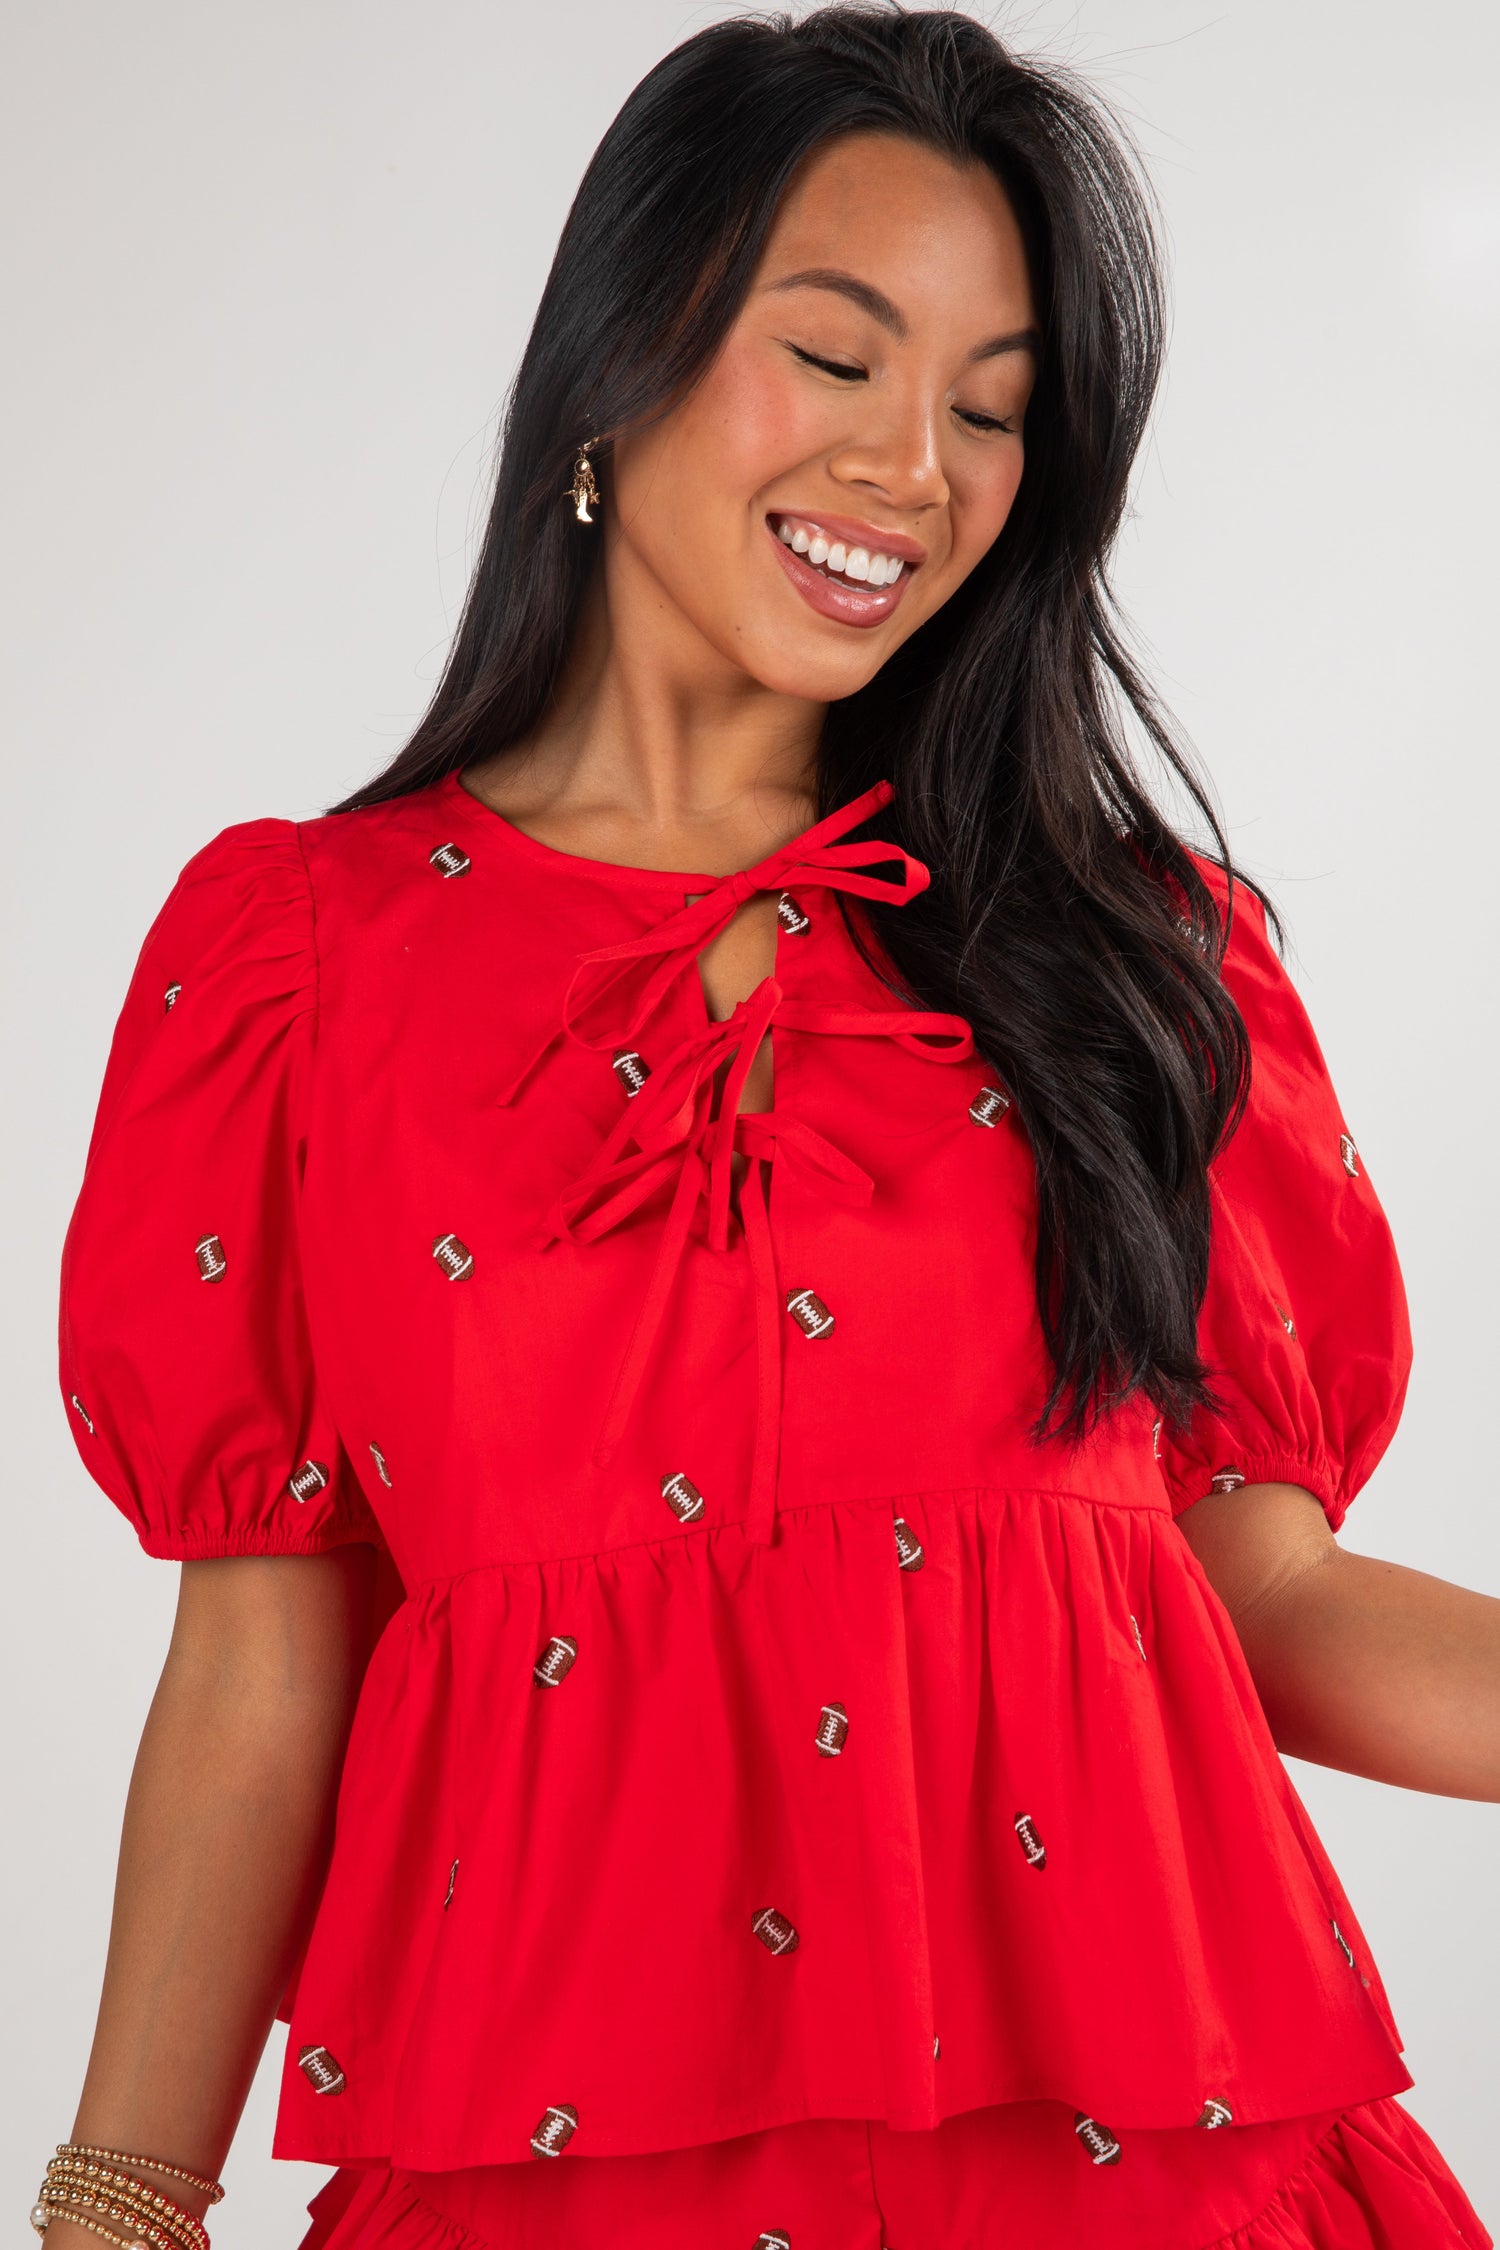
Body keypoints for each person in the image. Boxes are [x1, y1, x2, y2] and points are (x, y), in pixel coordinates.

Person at [37, 8, 1499, 2249]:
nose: (918, 465)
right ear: (617, 361)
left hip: (1151, 2182)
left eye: (994, 410)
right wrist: (124, 2200)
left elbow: (1259, 1595)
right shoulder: (297, 961)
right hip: (555, 2187)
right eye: (838, 361)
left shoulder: (1128, 953)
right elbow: (257, 1667)